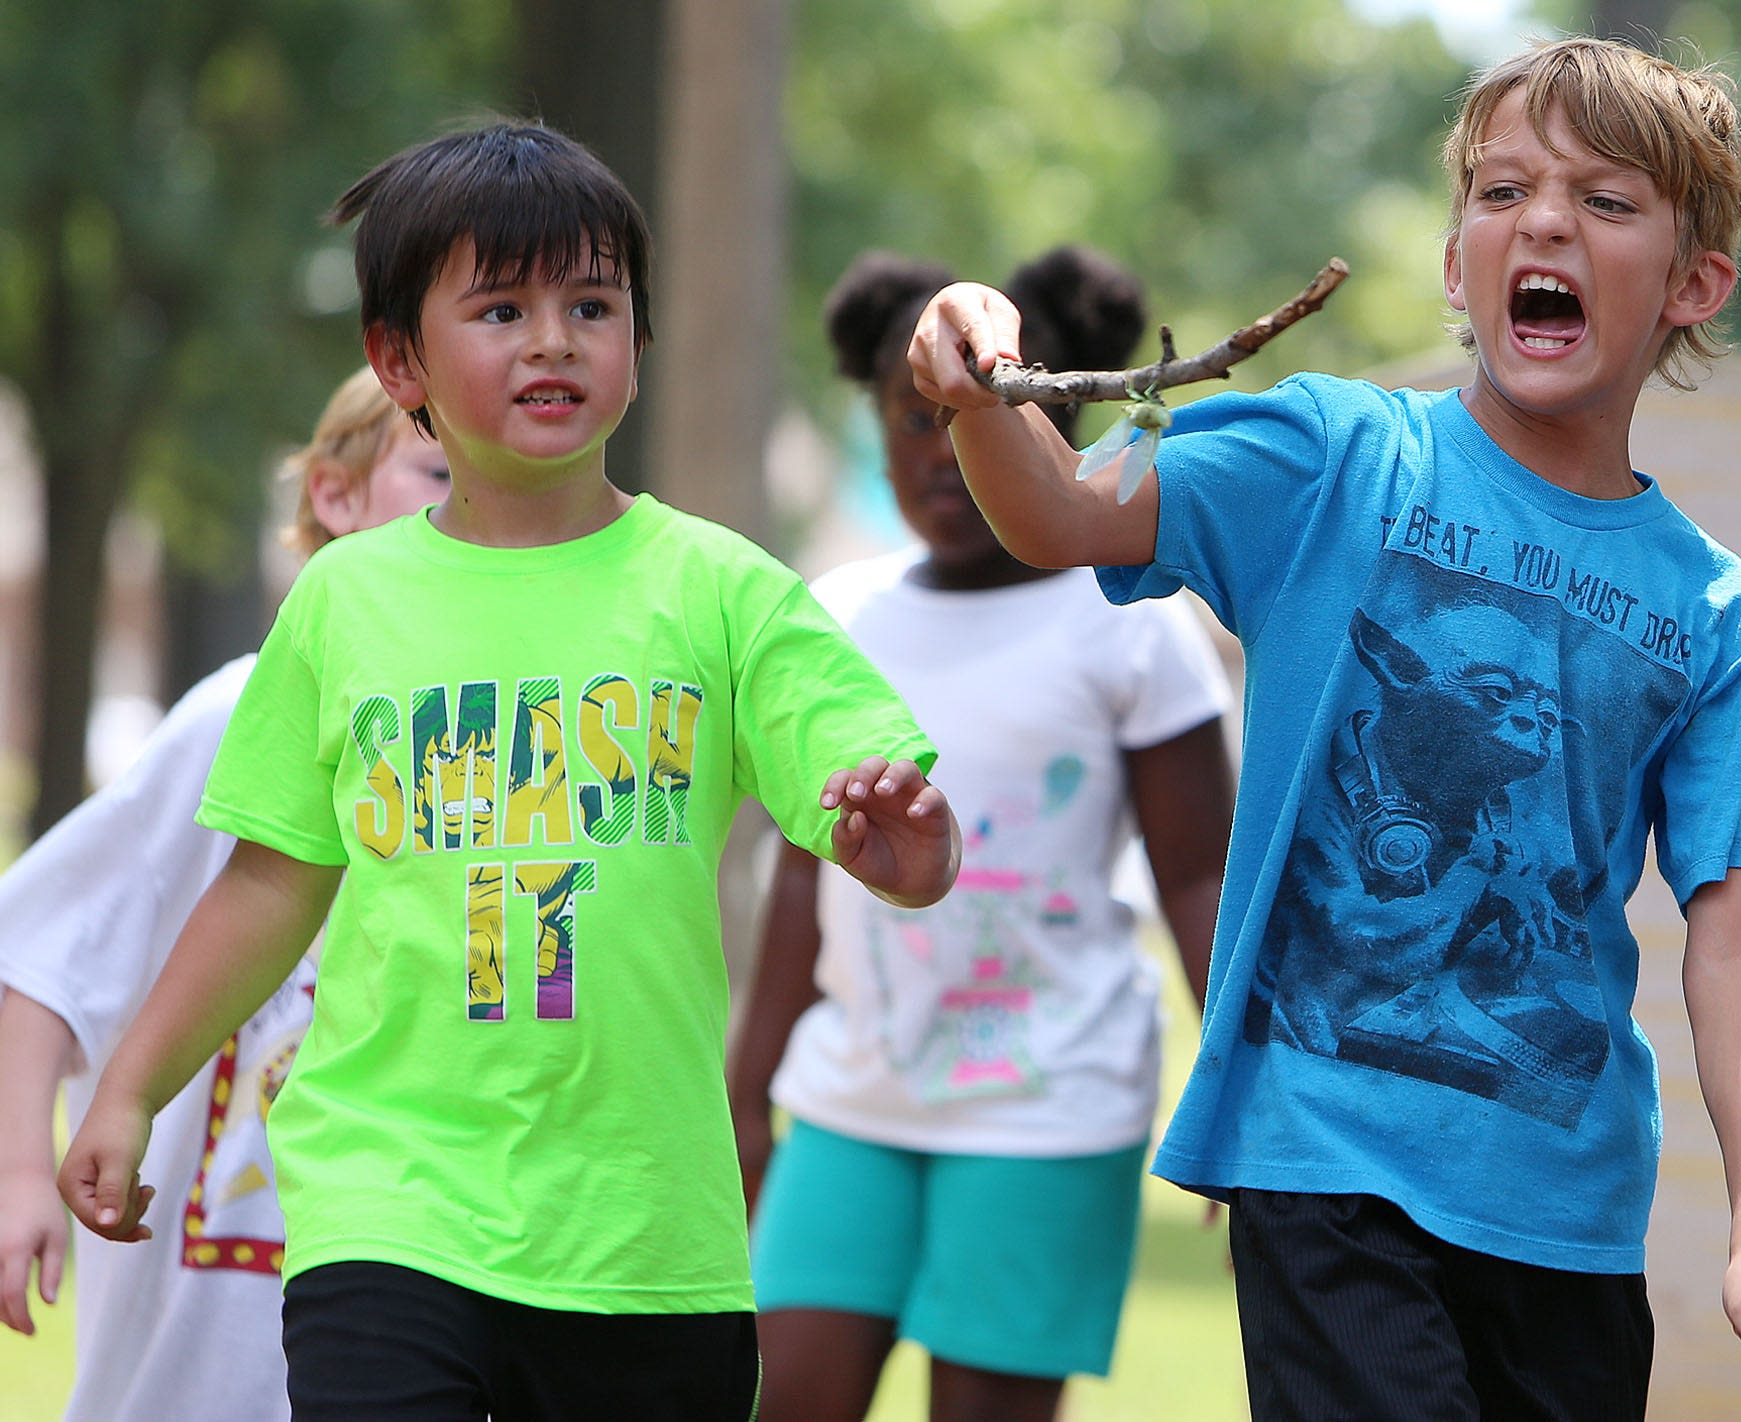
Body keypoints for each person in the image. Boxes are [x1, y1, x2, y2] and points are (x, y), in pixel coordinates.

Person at [908, 34, 1741, 1421]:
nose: (1542, 220)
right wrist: (977, 380)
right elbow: (1058, 514)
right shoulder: (1334, 458)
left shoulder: (1714, 610)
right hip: (1323, 1162)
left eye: (1605, 200)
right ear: (1458, 262)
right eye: (1503, 189)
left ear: (1694, 284)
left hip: (1566, 1212)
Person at [56, 121, 960, 1422]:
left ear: (638, 346)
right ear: (397, 359)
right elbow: (267, 884)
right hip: (390, 1203)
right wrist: (132, 1086)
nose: (553, 339)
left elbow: (885, 812)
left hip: (648, 1243)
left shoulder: (724, 592)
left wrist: (911, 857)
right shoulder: (342, 604)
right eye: (501, 308)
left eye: (592, 304)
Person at [730, 247, 1235, 1422]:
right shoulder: (835, 620)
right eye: (913, 419)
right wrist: (747, 1092)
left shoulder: (1129, 621)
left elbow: (1199, 878)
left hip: (1049, 1112)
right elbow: (804, 880)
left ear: (1054, 416)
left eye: (986, 415)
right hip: (850, 1102)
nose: (941, 451)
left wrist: (1233, 1104)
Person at [0, 367, 448, 1422]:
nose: (467, 505)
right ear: (335, 497)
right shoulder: (238, 715)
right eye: (435, 469)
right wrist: (23, 1172)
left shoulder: (496, 742)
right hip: (186, 1375)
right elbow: (35, 956)